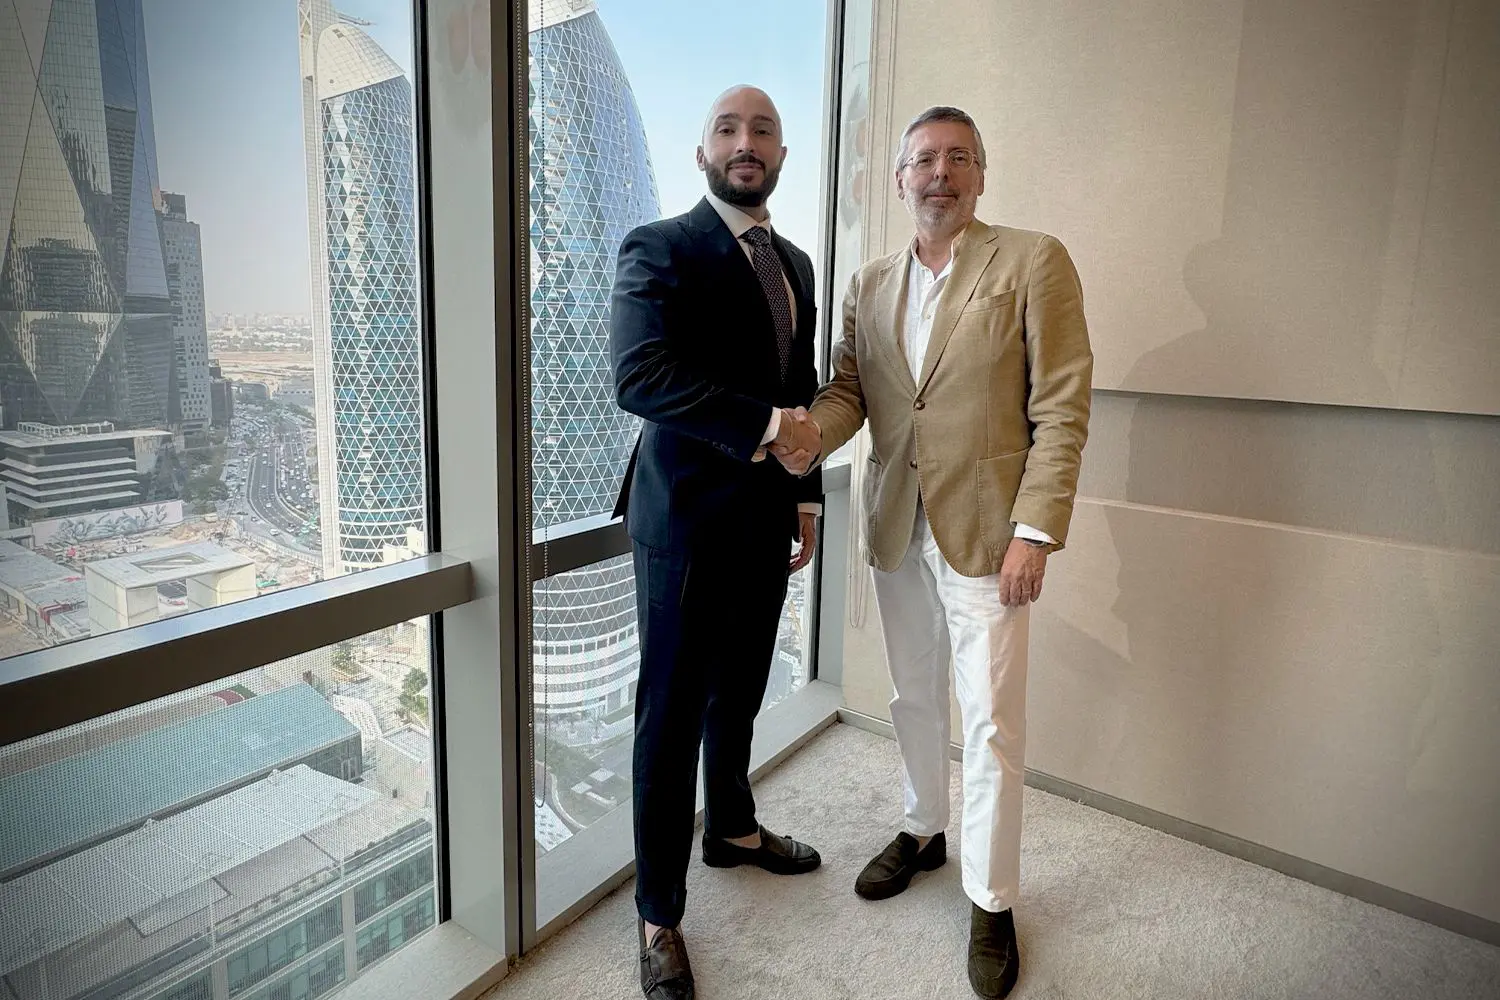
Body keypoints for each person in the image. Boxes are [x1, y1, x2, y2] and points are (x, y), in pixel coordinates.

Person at [781, 105, 1092, 998]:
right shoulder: (870, 282)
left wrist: (1035, 531)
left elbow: (1062, 405)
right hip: (895, 522)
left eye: (958, 158)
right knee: (913, 694)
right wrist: (806, 435)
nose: (940, 173)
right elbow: (852, 391)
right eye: (923, 160)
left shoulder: (1032, 261)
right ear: (899, 179)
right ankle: (923, 829)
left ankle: (991, 899)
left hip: (990, 536)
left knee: (990, 719)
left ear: (980, 175)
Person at [610, 85, 825, 1000]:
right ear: (702, 151)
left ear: (781, 154)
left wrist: (805, 496)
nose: (747, 143)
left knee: (740, 688)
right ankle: (659, 915)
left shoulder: (795, 262)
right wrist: (768, 426)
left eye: (763, 130)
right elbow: (639, 375)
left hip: (767, 515)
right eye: (728, 130)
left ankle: (732, 829)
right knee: (669, 717)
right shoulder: (659, 245)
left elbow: (800, 381)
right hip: (687, 523)